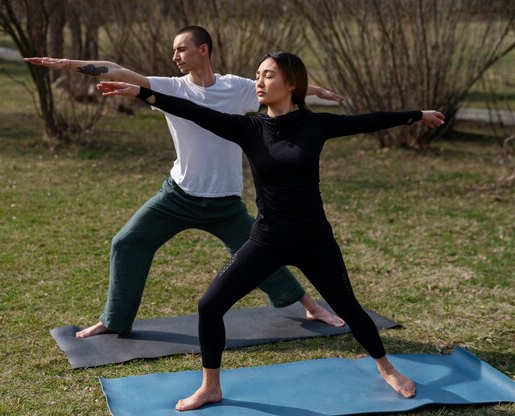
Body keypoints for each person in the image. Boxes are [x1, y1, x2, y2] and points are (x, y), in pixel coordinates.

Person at [97, 51, 445, 410]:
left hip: (314, 240)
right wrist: (141, 93)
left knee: (350, 309)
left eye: (269, 76)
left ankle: (386, 368)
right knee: (209, 305)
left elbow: (368, 121)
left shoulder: (316, 125)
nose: (259, 83)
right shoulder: (250, 129)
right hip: (267, 239)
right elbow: (194, 111)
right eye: (258, 75)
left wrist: (417, 115)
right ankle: (210, 386)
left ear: (291, 84)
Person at [23, 26, 346, 337]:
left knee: (264, 252)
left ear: (202, 49)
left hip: (225, 203)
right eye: (173, 50)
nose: (175, 56)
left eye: (181, 48)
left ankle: (310, 306)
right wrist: (67, 64)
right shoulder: (171, 88)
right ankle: (115, 320)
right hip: (178, 196)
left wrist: (317, 92)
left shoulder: (237, 88)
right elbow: (118, 70)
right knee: (127, 242)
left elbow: (286, 88)